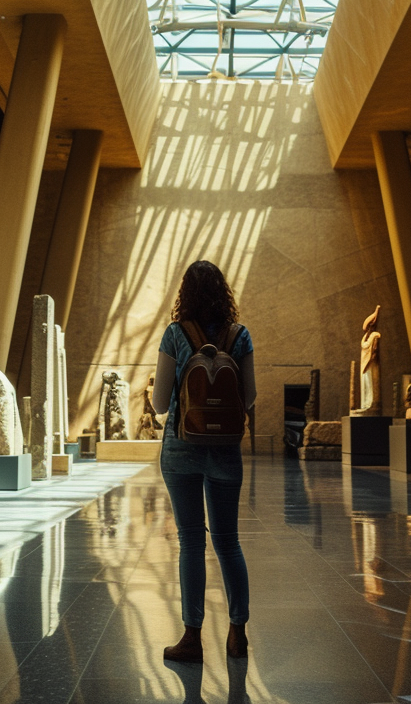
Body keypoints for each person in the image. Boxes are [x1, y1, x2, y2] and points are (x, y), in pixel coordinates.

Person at [152, 260, 256, 663]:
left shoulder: (175, 334)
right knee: (228, 541)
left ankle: (192, 639)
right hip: (226, 453)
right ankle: (237, 634)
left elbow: (161, 404)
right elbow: (248, 398)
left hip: (181, 452)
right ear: (223, 292)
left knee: (191, 541)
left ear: (185, 294)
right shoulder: (239, 335)